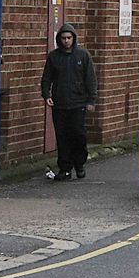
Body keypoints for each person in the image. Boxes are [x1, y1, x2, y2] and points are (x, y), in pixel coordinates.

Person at [40, 23, 96, 181]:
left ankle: (79, 164)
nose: (66, 41)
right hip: (60, 103)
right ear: (59, 39)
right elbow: (46, 78)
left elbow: (90, 79)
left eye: (69, 38)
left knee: (78, 134)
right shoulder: (54, 57)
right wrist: (46, 95)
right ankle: (65, 168)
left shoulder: (83, 56)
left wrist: (91, 100)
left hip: (78, 103)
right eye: (63, 38)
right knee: (62, 136)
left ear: (74, 38)